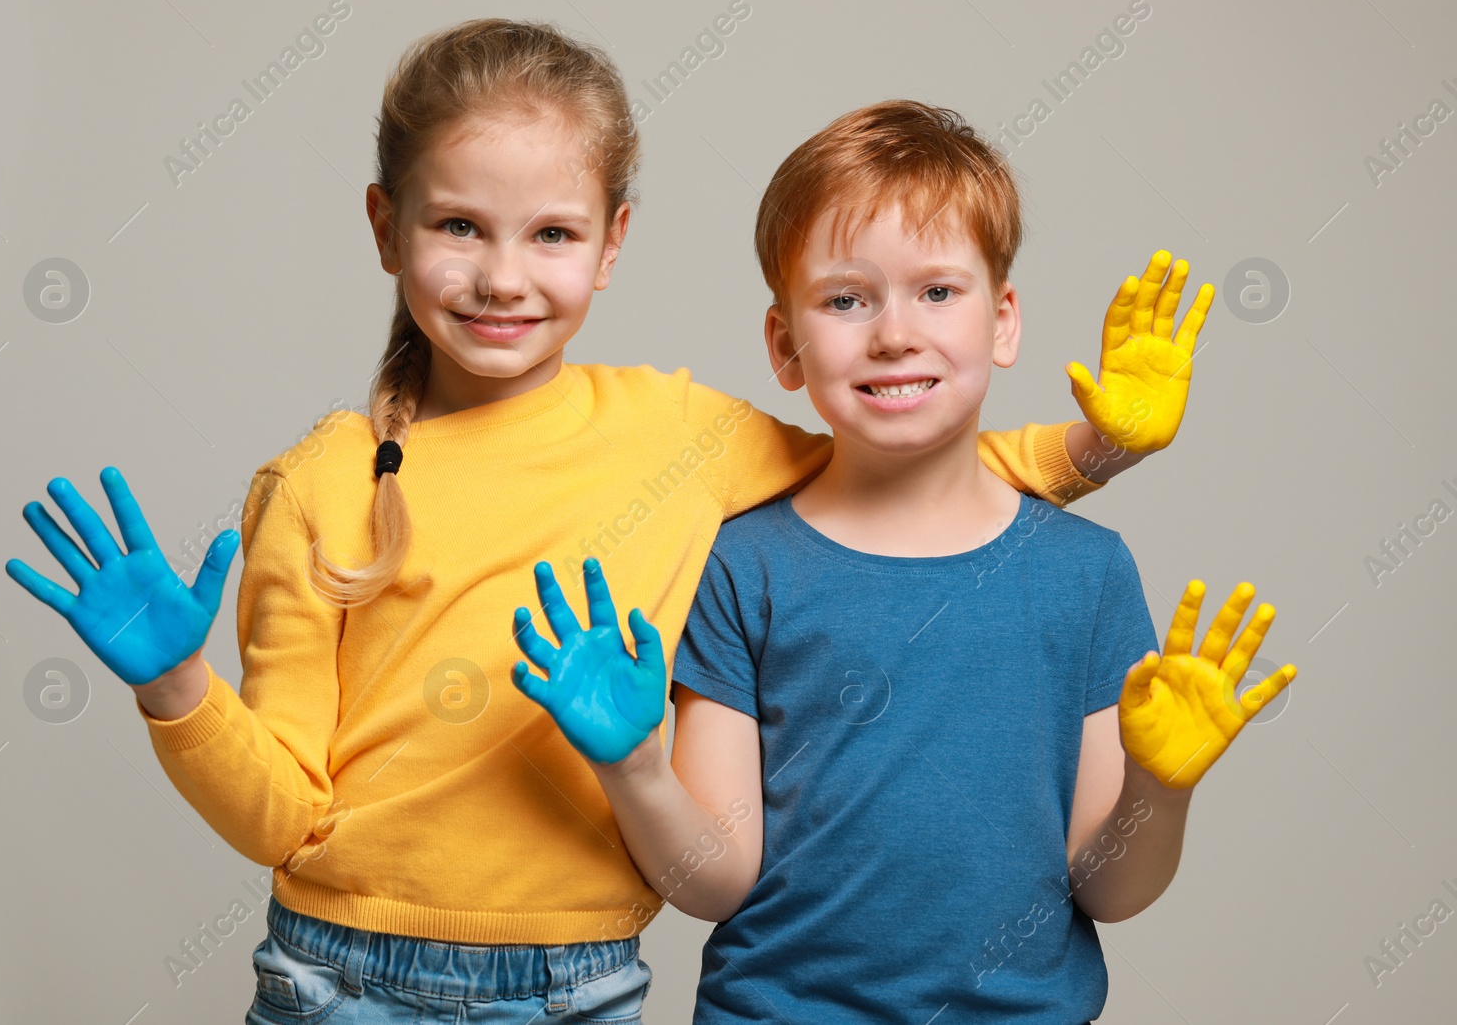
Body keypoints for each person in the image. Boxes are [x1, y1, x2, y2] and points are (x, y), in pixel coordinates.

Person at [7, 19, 1174, 1023]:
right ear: (383, 226)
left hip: (581, 981)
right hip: (336, 974)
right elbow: (281, 814)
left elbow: (886, 463)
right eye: (457, 225)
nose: (502, 276)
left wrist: (1098, 446)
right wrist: (175, 689)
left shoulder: (681, 434)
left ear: (612, 243)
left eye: (551, 234)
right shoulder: (321, 484)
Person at [509, 100, 1294, 1023]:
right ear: (783, 345)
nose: (893, 333)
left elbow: (1109, 892)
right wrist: (636, 768)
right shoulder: (744, 566)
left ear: (1004, 320)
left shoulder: (1089, 573)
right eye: (846, 299)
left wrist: (1160, 791)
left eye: (938, 292)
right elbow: (715, 882)